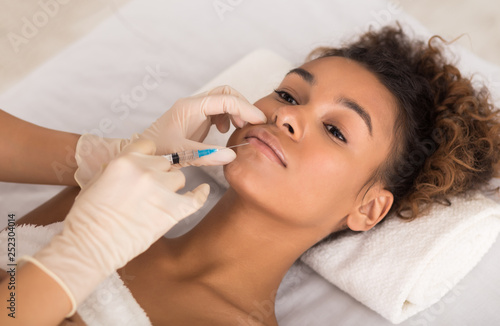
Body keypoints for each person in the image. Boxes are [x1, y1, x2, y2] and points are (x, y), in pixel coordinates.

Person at [2, 25, 500, 325]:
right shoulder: (105, 198)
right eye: (287, 95)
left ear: (367, 208)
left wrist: (80, 257)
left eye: (335, 129)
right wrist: (105, 156)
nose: (288, 116)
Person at [0, 86, 267, 325]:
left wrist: (85, 249)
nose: (287, 118)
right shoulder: (98, 199)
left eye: (312, 124)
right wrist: (113, 155)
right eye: (288, 97)